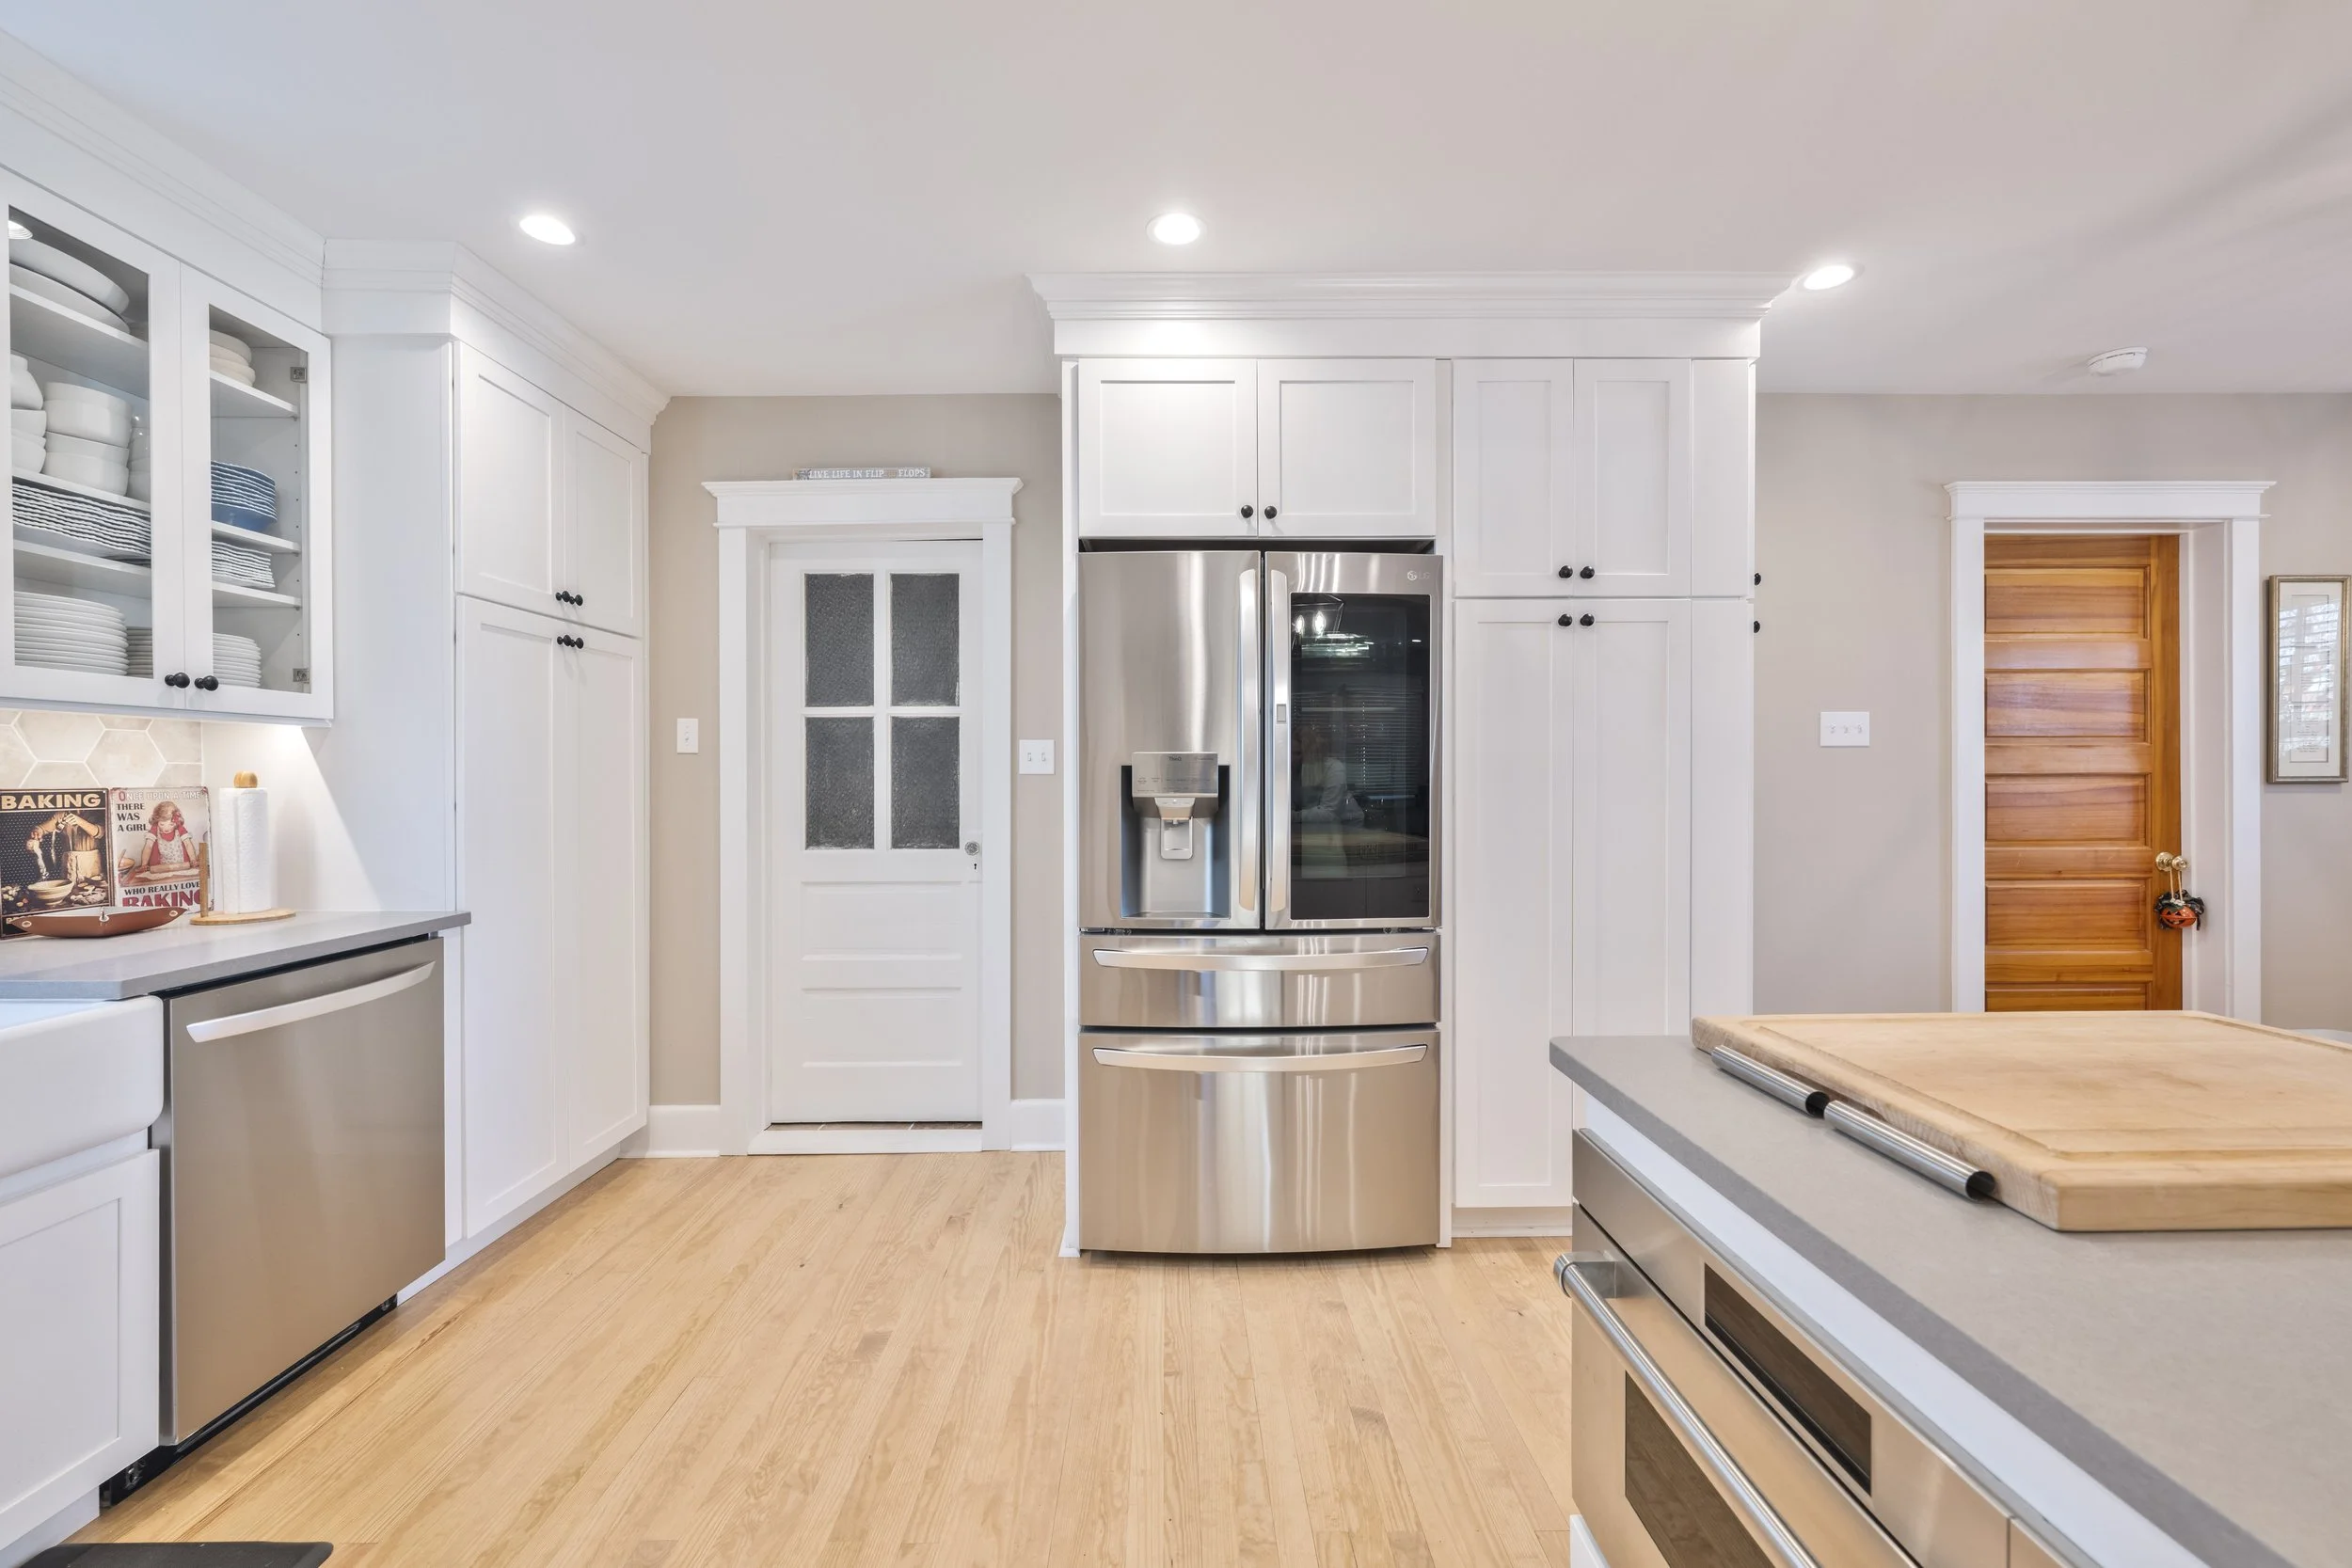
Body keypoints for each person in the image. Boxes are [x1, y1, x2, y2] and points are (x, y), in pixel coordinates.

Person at [123, 798, 198, 884]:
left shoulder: (180, 828)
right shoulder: (155, 829)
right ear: (157, 821)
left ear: (176, 822)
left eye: (171, 824)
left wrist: (193, 860)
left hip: (180, 863)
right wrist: (144, 864)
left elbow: (188, 844)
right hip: (160, 865)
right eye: (162, 824)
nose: (166, 828)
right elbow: (148, 846)